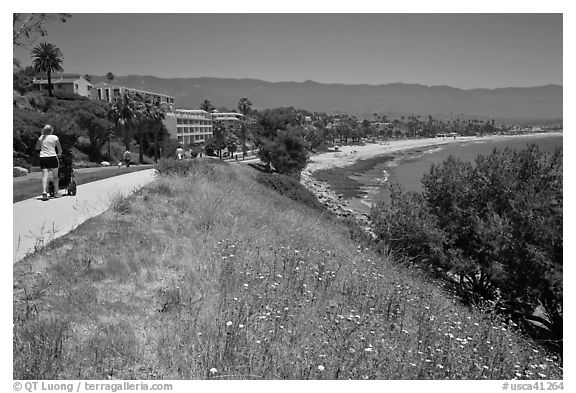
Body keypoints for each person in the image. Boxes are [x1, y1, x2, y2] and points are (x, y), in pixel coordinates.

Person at [35, 124, 62, 201]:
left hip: (43, 157)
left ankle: (44, 191)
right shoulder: (55, 137)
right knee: (55, 176)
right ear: (51, 130)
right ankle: (56, 192)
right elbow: (59, 148)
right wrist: (59, 153)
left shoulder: (41, 138)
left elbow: (37, 147)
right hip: (53, 157)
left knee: (44, 175)